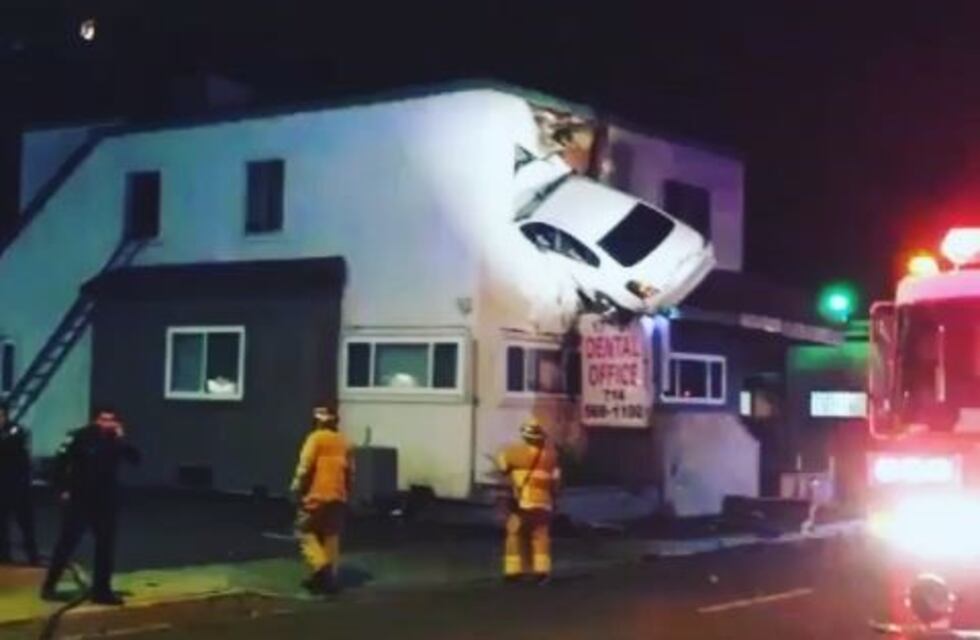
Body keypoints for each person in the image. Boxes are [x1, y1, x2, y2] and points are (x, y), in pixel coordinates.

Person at [41, 406, 139, 605]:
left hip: (105, 500)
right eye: (103, 419)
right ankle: (49, 587)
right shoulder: (80, 437)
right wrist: (62, 489)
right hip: (80, 498)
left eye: (111, 420)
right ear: (95, 420)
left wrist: (121, 439)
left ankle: (102, 590)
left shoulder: (115, 440)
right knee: (66, 543)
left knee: (105, 546)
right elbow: (60, 463)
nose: (107, 424)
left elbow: (135, 459)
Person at [290, 406, 353, 595]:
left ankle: (321, 567)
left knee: (304, 532)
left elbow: (305, 467)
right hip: (338, 495)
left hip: (316, 495)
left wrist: (296, 488)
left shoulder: (315, 438)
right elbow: (351, 473)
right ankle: (329, 580)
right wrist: (347, 493)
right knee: (331, 535)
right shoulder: (345, 442)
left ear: (318, 421)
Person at [496, 417, 561, 585]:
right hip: (544, 504)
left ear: (525, 436)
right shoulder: (551, 456)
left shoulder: (514, 452)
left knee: (514, 534)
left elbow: (502, 465)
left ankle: (513, 572)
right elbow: (556, 483)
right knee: (540, 537)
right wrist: (556, 502)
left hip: (523, 504)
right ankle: (542, 572)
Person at [0, 402, 39, 565]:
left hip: (18, 485)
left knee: (25, 523)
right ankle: (4, 556)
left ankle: (33, 556)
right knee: (1, 523)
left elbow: (16, 452)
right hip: (1, 486)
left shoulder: (16, 431)